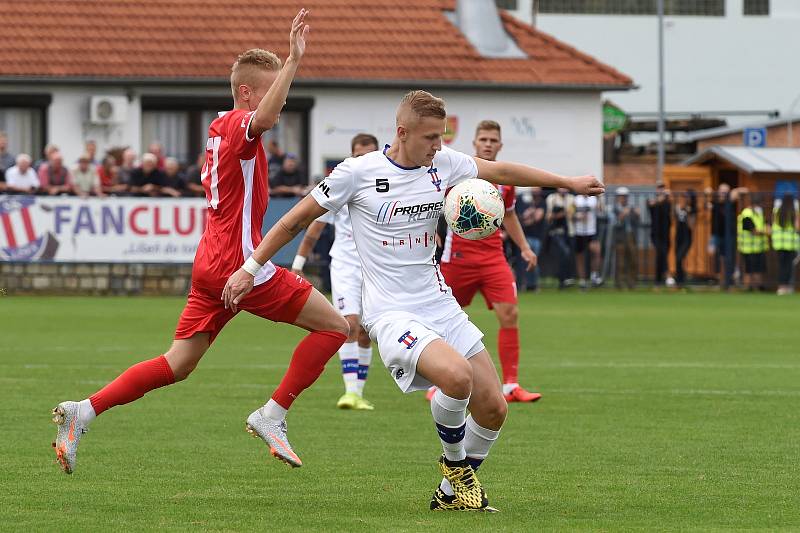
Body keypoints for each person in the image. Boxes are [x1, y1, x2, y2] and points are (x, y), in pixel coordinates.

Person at [221, 90, 604, 511]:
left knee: (494, 408)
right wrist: (250, 267)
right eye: (429, 138)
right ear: (402, 133)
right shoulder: (357, 172)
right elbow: (295, 219)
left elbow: (499, 169)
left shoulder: (443, 162)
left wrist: (567, 182)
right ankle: (457, 472)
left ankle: (449, 496)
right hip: (391, 312)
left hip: (439, 304)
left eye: (441, 137)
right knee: (457, 378)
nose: (438, 146)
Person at [51, 10, 346, 476]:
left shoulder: (219, 129)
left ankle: (82, 411)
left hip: (210, 260)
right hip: (240, 262)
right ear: (247, 92)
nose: (279, 104)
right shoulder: (236, 126)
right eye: (270, 90)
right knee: (336, 328)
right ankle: (272, 415)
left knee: (179, 363)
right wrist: (293, 60)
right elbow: (265, 117)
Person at [437, 120, 541, 404]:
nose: (487, 144)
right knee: (443, 319)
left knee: (510, 314)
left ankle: (510, 386)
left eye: (493, 140)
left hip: (494, 257)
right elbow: (435, 203)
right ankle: (440, 380)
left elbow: (508, 214)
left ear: (500, 145)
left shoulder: (507, 179)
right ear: (474, 143)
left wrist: (524, 247)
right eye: (483, 139)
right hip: (457, 258)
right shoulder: (459, 173)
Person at [292, 133, 380, 411]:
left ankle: (359, 392)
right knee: (349, 324)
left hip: (376, 268)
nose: (364, 159)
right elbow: (313, 230)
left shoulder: (386, 186)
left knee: (366, 332)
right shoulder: (343, 184)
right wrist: (297, 265)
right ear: (352, 154)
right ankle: (350, 393)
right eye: (359, 154)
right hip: (345, 265)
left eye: (369, 154)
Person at [515, 186, 546, 291]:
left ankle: (535, 284)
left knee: (534, 261)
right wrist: (528, 216)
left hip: (537, 236)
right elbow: (522, 217)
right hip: (526, 236)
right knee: (525, 261)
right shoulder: (526, 202)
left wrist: (528, 217)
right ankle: (525, 284)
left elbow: (536, 218)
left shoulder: (542, 203)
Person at [736, 189, 768, 291]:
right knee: (749, 269)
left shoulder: (759, 213)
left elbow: (766, 225)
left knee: (759, 269)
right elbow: (752, 230)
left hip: (759, 247)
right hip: (748, 247)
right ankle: (748, 287)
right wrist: (765, 231)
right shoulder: (747, 214)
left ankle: (758, 287)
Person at [572, 193, 604, 289]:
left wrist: (599, 199)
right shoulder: (576, 199)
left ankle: (594, 275)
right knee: (580, 256)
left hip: (591, 231)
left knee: (596, 252)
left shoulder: (593, 199)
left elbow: (601, 210)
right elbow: (570, 214)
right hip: (579, 231)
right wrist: (578, 216)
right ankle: (582, 281)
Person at [546, 187, 575, 289]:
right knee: (563, 253)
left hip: (570, 231)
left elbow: (571, 214)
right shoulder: (552, 198)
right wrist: (560, 214)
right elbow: (549, 216)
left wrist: (564, 213)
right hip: (557, 231)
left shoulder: (571, 198)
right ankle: (562, 279)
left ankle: (566, 278)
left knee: (568, 254)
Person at [771, 193, 800, 295]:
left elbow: (773, 224)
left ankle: (781, 287)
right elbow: (797, 227)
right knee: (788, 266)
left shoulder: (777, 211)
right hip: (790, 243)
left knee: (781, 265)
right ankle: (787, 287)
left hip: (779, 242)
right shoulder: (794, 212)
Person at [612, 187, 640, 289]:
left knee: (633, 259)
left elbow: (637, 221)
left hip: (631, 236)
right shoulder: (614, 209)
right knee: (620, 261)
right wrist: (623, 215)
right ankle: (619, 283)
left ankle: (631, 283)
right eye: (621, 196)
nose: (623, 199)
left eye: (625, 197)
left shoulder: (631, 208)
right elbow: (615, 223)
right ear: (618, 197)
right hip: (620, 237)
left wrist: (636, 214)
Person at [648, 183, 672, 286]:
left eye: (662, 189)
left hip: (666, 234)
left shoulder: (667, 203)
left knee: (661, 256)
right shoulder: (652, 201)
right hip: (655, 234)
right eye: (659, 189)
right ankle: (668, 276)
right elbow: (651, 204)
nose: (661, 191)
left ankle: (658, 280)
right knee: (661, 253)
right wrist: (662, 198)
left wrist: (668, 198)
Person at [673, 190, 696, 287]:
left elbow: (691, 225)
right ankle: (679, 281)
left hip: (687, 237)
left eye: (687, 197)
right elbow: (674, 220)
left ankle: (682, 279)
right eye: (684, 197)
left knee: (679, 257)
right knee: (677, 259)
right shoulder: (679, 208)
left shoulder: (692, 210)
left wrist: (687, 212)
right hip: (678, 236)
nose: (685, 199)